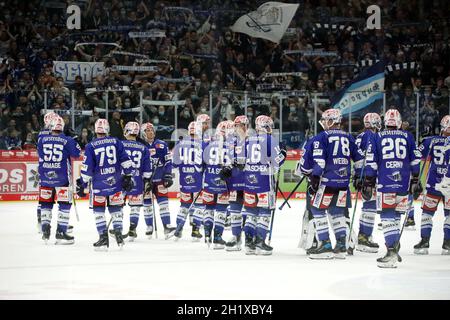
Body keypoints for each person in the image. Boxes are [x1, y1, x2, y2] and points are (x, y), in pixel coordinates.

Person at [364, 109, 422, 268]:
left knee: (387, 215)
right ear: (398, 121)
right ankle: (394, 245)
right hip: (403, 184)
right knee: (396, 215)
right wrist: (416, 179)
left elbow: (371, 162)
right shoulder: (408, 136)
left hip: (385, 182)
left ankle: (391, 252)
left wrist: (368, 181)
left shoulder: (377, 137)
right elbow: (416, 160)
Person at [306, 109, 364, 260]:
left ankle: (325, 245)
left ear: (331, 121)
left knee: (317, 210)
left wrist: (315, 178)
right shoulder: (349, 137)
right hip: (343, 183)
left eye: (326, 120)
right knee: (337, 212)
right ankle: (341, 246)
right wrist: (359, 177)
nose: (324, 123)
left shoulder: (322, 137)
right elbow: (359, 160)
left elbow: (319, 161)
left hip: (326, 182)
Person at [76, 118, 134, 250]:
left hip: (98, 185)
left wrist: (82, 183)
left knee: (98, 210)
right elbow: (126, 160)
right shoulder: (116, 142)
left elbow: (87, 170)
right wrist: (128, 176)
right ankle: (118, 234)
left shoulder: (90, 146)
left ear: (95, 130)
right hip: (116, 183)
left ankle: (103, 238)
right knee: (116, 209)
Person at [242, 115, 286, 255]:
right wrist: (283, 153)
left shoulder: (247, 141)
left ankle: (249, 243)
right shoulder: (270, 139)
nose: (270, 129)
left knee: (251, 212)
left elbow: (240, 161)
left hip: (249, 181)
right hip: (264, 182)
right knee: (264, 211)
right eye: (268, 126)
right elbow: (277, 162)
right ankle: (260, 242)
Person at [37, 115, 81, 244]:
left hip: (45, 177)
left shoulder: (42, 139)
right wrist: (74, 138)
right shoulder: (67, 140)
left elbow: (40, 154)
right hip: (62, 178)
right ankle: (61, 233)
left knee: (45, 203)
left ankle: (45, 229)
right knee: (64, 204)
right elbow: (76, 154)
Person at [417, 115, 450, 255]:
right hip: (449, 186)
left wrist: (422, 140)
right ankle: (447, 244)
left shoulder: (431, 140)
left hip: (433, 183)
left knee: (427, 213)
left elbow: (416, 155)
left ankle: (424, 242)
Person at [201, 120, 234, 248]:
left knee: (208, 208)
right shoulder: (231, 146)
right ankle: (217, 238)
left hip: (208, 181)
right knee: (221, 209)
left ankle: (207, 234)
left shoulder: (207, 144)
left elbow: (201, 164)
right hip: (223, 182)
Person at [140, 122, 176, 238]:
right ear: (143, 133)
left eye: (152, 130)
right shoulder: (140, 146)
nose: (150, 132)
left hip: (160, 179)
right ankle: (149, 226)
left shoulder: (162, 144)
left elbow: (168, 161)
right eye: (147, 131)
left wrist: (168, 175)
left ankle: (167, 226)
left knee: (164, 203)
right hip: (146, 180)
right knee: (147, 204)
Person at [353, 113, 382, 253]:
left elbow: (357, 158)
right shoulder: (374, 136)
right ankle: (364, 237)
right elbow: (372, 158)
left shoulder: (359, 136)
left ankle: (364, 236)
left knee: (367, 205)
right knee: (370, 205)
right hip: (371, 176)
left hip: (362, 175)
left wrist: (357, 176)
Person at [120, 121, 153, 241]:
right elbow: (148, 170)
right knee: (135, 207)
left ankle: (118, 229)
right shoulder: (144, 148)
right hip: (137, 179)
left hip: (121, 179)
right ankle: (132, 229)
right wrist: (147, 181)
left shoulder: (120, 144)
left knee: (117, 205)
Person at [172, 121, 205, 240]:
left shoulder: (180, 143)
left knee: (184, 205)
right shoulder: (202, 144)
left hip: (184, 179)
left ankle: (178, 229)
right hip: (198, 179)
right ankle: (195, 230)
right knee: (200, 205)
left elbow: (174, 163)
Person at [222, 115, 249, 251]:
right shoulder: (230, 139)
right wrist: (225, 167)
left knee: (250, 209)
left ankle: (251, 237)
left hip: (250, 179)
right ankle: (236, 236)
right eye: (237, 125)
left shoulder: (253, 139)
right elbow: (226, 156)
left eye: (240, 125)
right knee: (234, 209)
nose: (238, 128)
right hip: (234, 178)